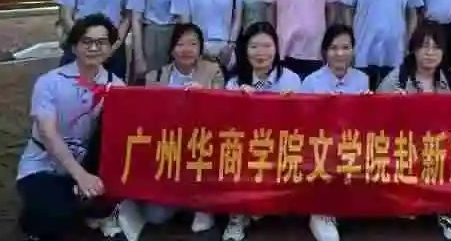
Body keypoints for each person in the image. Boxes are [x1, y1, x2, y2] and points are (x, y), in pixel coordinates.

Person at [16, 14, 125, 241]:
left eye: (101, 42)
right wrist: (80, 175)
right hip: (44, 165)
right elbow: (48, 133)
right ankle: (43, 214)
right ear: (74, 47)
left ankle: (86, 205)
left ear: (110, 48)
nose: (94, 48)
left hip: (89, 165)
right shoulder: (50, 82)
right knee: (54, 220)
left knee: (105, 200)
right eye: (87, 41)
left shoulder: (117, 86)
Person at [117, 23, 223, 240]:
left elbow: (224, 111)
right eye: (180, 44)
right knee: (156, 216)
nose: (186, 49)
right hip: (167, 153)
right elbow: (144, 118)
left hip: (202, 149)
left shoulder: (213, 72)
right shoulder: (155, 76)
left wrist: (206, 97)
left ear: (201, 48)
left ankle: (199, 207)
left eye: (193, 44)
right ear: (172, 48)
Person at [378, 24, 451, 240]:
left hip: (443, 145)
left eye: (436, 47)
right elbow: (376, 120)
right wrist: (392, 107)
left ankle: (447, 211)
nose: (430, 53)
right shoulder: (396, 79)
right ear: (414, 49)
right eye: (424, 46)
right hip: (405, 144)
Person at [223, 22, 301, 241]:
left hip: (281, 146)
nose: (261, 53)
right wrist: (239, 103)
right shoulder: (234, 83)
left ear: (276, 48)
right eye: (254, 47)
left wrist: (291, 106)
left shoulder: (291, 79)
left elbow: (303, 123)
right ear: (245, 50)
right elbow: (227, 126)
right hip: (247, 148)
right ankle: (236, 217)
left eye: (267, 46)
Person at [300, 25, 369, 241]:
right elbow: (303, 123)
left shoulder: (362, 79)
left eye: (346, 48)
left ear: (353, 50)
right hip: (320, 144)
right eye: (333, 48)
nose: (340, 54)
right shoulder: (311, 81)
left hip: (351, 143)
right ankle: (321, 213)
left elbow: (365, 123)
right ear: (324, 51)